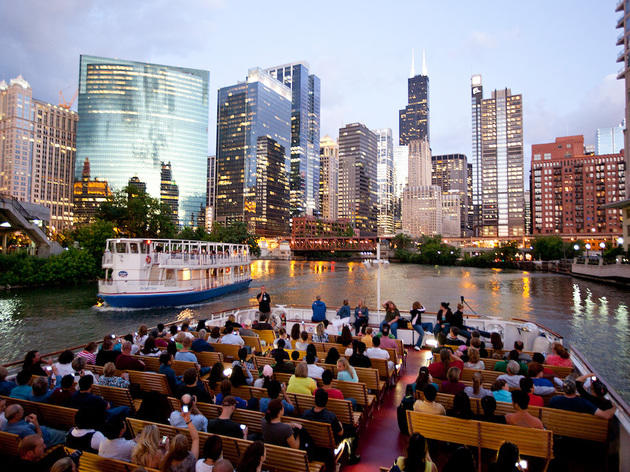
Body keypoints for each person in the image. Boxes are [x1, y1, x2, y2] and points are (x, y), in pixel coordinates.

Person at [304, 388, 361, 465]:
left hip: (314, 439)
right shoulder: (330, 416)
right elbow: (340, 433)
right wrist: (340, 424)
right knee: (352, 431)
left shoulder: (306, 414)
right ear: (326, 401)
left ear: (315, 400)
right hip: (330, 441)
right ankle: (351, 457)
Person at [549, 379, 616, 418]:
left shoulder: (554, 400)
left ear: (563, 390)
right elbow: (606, 415)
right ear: (575, 390)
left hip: (560, 427)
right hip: (579, 429)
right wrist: (614, 407)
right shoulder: (584, 403)